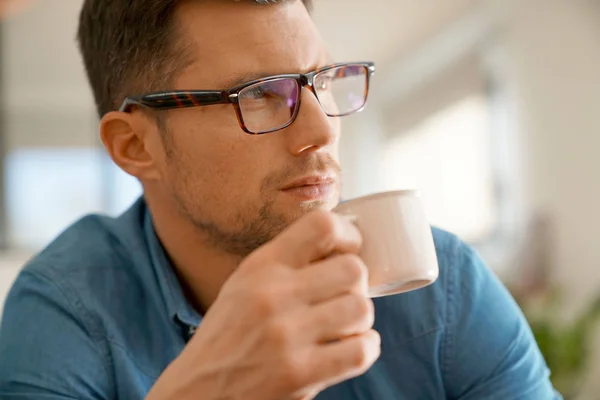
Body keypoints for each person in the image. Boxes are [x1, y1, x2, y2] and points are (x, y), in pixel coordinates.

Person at [0, 1, 561, 399]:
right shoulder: (68, 309)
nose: (322, 129)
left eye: (321, 81)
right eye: (262, 95)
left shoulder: (440, 285)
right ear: (134, 146)